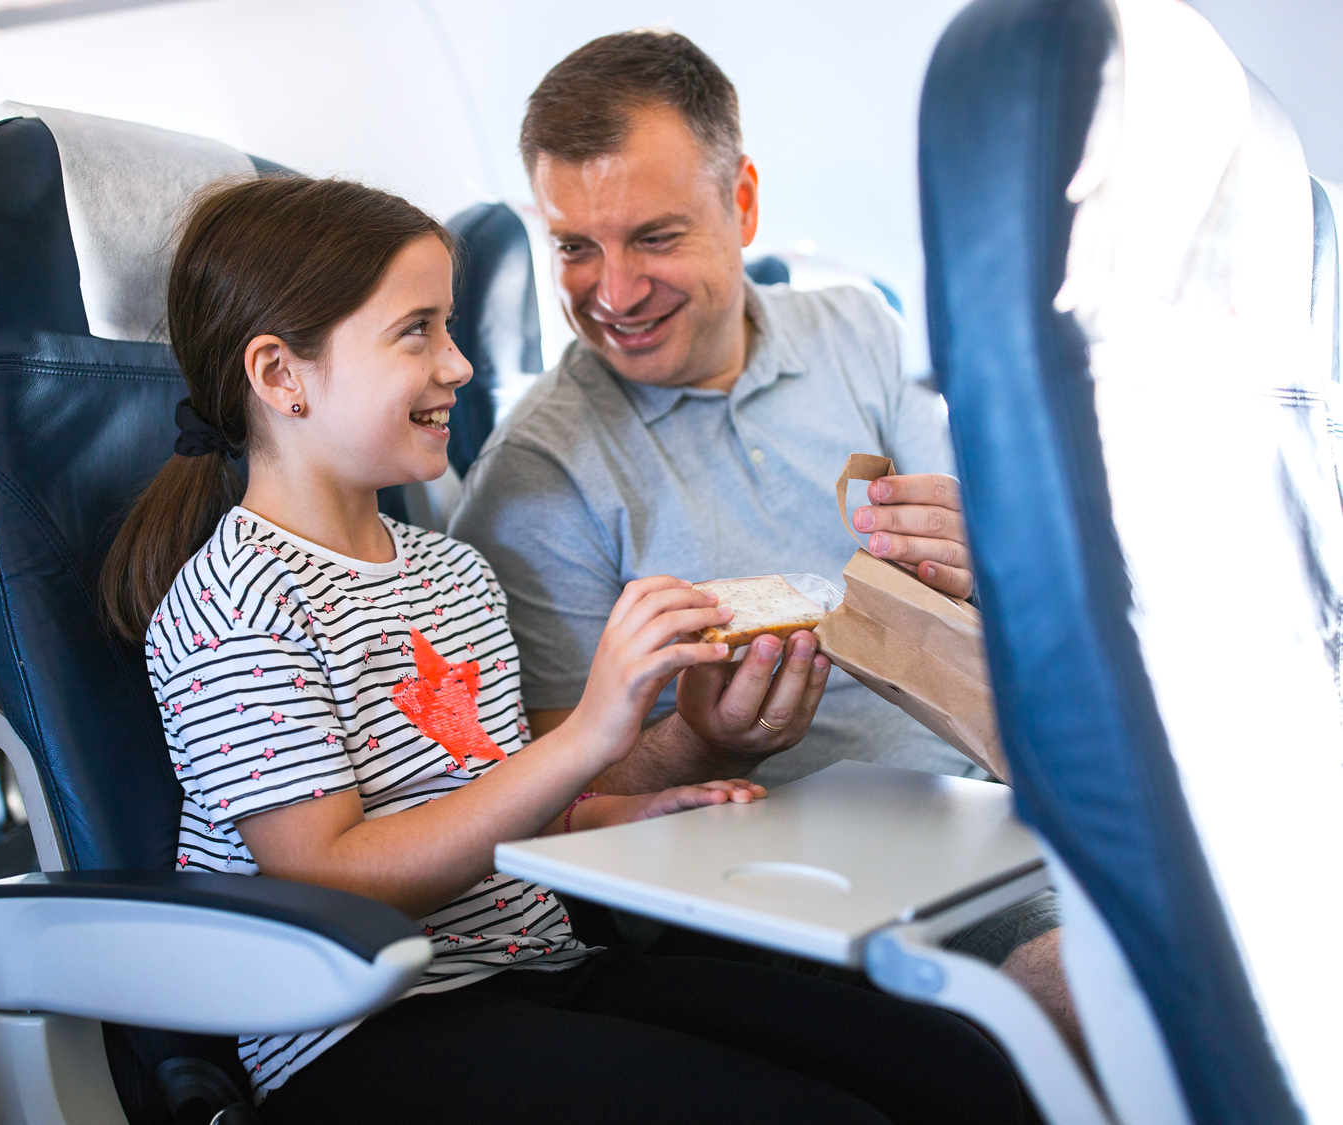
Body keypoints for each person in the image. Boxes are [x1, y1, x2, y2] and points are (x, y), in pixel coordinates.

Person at [98, 175, 1027, 1123]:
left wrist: (627, 813)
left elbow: (502, 820)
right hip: (360, 1030)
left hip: (535, 965)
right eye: (416, 331)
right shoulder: (232, 603)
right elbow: (329, 879)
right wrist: (587, 734)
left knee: (953, 1062)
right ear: (281, 375)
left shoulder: (450, 573)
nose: (457, 366)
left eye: (451, 328)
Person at [448, 30, 1076, 1048]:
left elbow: (1001, 602)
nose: (611, 292)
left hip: (1000, 803)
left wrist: (991, 563)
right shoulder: (536, 480)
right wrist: (702, 738)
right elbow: (549, 808)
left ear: (741, 204)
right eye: (575, 247)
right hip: (798, 884)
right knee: (1114, 978)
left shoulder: (857, 330)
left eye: (654, 236)